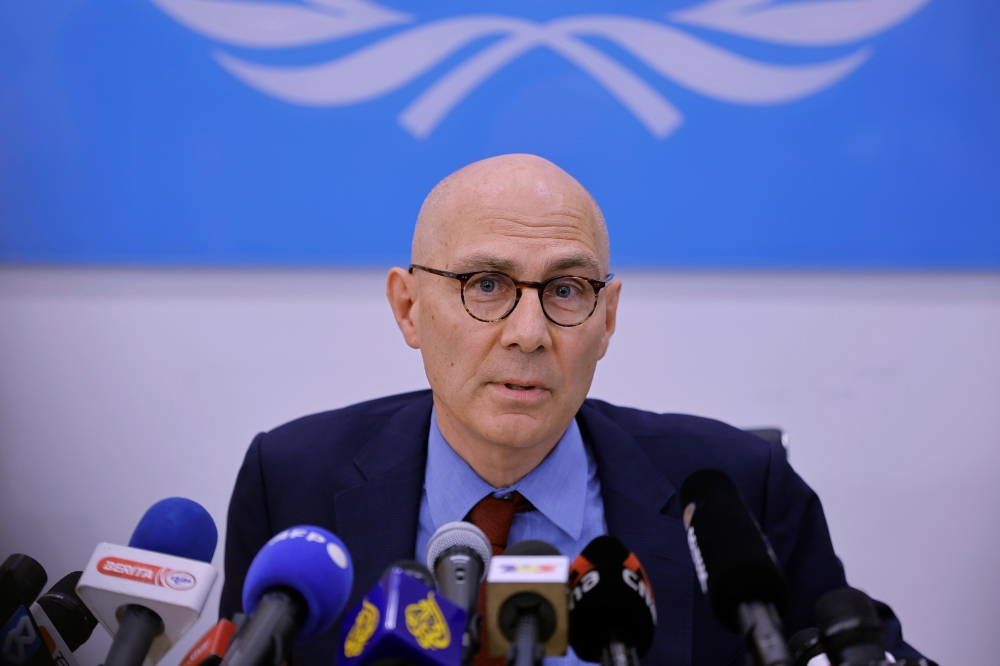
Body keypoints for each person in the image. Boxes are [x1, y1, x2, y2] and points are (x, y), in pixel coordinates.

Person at [220, 154, 922, 665]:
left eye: (565, 290)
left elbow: (855, 644)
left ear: (608, 317)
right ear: (409, 309)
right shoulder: (290, 482)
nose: (528, 333)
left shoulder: (738, 487)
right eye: (486, 284)